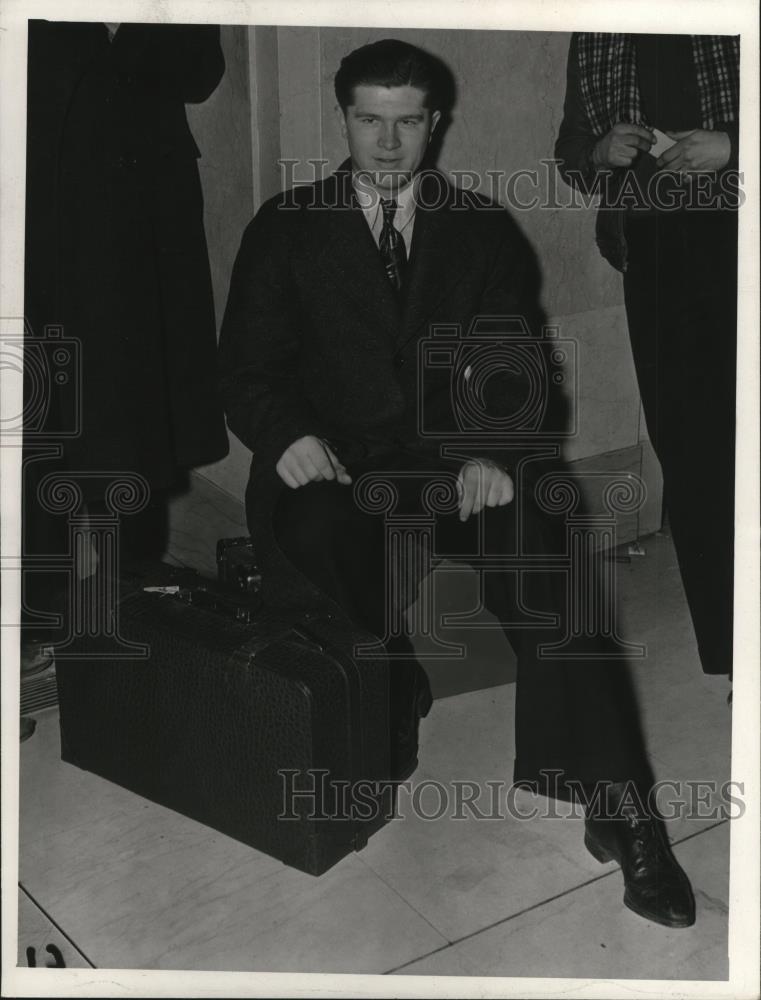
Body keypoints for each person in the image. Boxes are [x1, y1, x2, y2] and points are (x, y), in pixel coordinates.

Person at [219, 38, 695, 928]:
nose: (389, 144)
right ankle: (388, 688)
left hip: (455, 468)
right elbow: (246, 368)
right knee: (317, 528)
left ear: (433, 125)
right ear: (345, 120)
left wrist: (494, 450)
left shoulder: (479, 226)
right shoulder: (285, 226)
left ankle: (620, 807)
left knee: (549, 547)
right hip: (341, 468)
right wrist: (284, 435)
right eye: (370, 120)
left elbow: (516, 369)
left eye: (407, 122)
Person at [22, 20, 229, 645]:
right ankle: (37, 611)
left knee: (140, 414)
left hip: (146, 213)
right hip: (42, 199)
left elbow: (201, 73)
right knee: (40, 406)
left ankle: (132, 603)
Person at [554, 33, 739, 681]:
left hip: (743, 240)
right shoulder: (599, 33)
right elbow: (571, 156)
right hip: (656, 255)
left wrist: (735, 146)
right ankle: (732, 653)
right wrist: (599, 152)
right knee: (691, 457)